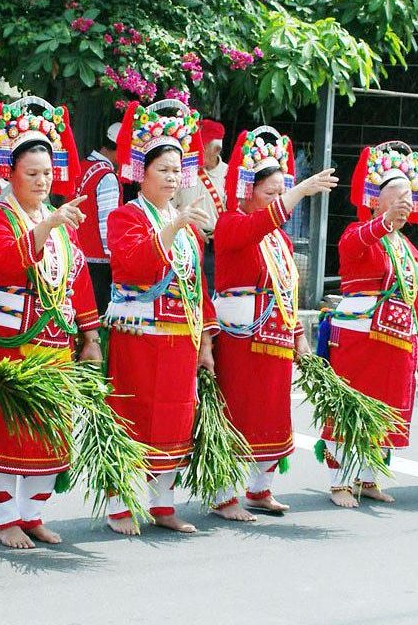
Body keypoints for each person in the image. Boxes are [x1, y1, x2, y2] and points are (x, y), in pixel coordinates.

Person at [0, 97, 98, 548]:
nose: (43, 182)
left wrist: (91, 335)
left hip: (55, 343)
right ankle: (6, 518)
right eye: (32, 174)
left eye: (47, 173)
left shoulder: (59, 219)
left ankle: (34, 513)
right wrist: (47, 227)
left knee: (48, 430)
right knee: (10, 431)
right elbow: (5, 266)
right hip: (11, 339)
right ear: (11, 173)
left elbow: (78, 279)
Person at [210, 126, 337, 520]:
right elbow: (255, 227)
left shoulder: (279, 239)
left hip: (276, 337)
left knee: (272, 412)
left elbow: (288, 289)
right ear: (248, 189)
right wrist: (298, 193)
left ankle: (260, 488)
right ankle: (223, 495)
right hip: (241, 341)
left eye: (283, 192)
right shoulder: (231, 224)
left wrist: (299, 336)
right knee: (238, 412)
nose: (279, 201)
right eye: (272, 193)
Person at [102, 99, 216, 535]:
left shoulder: (184, 224)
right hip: (139, 336)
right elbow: (134, 264)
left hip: (180, 338)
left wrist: (205, 341)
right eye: (163, 169)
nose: (171, 177)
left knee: (175, 415)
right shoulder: (125, 216)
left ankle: (163, 503)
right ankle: (119, 501)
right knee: (132, 413)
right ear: (141, 173)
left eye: (176, 169)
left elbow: (198, 287)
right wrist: (173, 226)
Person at [319, 142, 418, 507]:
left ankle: (369, 476)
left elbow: (413, 299)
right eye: (397, 197)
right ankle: (340, 481)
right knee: (353, 406)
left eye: (409, 198)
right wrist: (382, 224)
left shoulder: (409, 249)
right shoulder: (358, 232)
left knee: (387, 406)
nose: (405, 204)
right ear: (376, 200)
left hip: (400, 339)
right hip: (360, 337)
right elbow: (357, 245)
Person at [174, 118, 228, 291]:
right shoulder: (182, 170)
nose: (196, 151)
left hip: (216, 246)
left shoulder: (229, 174)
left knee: (211, 294)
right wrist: (188, 226)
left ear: (216, 149)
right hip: (184, 242)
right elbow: (168, 206)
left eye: (202, 147)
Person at [77, 121, 122, 313]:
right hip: (99, 265)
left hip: (77, 256)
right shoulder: (107, 176)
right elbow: (108, 226)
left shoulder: (82, 166)